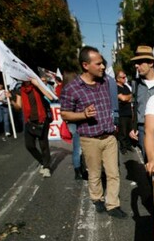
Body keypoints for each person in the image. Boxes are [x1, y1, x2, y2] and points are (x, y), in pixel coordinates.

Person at [60, 46, 127, 219]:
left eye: (103, 63)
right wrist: (83, 115)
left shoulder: (106, 82)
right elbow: (65, 113)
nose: (103, 67)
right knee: (95, 173)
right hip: (89, 139)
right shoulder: (72, 88)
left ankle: (113, 205)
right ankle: (97, 199)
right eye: (98, 64)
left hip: (110, 137)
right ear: (85, 65)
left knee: (113, 173)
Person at [9, 77, 57, 178]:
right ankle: (43, 161)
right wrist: (10, 99)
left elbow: (51, 97)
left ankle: (47, 167)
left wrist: (38, 84)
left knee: (43, 145)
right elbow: (18, 107)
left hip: (42, 119)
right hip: (29, 121)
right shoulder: (20, 90)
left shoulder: (37, 87)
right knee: (29, 145)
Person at [128, 46, 154, 158]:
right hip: (142, 128)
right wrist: (133, 127)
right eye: (135, 63)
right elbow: (134, 106)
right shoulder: (135, 83)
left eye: (139, 62)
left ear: (151, 63)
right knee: (149, 163)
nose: (136, 66)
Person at [115, 70, 133, 154]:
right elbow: (123, 98)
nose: (125, 78)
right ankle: (123, 148)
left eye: (125, 77)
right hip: (121, 113)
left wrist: (128, 97)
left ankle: (129, 145)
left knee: (129, 130)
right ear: (117, 79)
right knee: (122, 132)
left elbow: (130, 99)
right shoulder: (116, 88)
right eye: (122, 77)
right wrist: (128, 97)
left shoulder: (126, 87)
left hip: (129, 112)